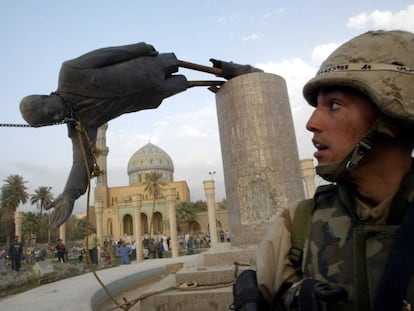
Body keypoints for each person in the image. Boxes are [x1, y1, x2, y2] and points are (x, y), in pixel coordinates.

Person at [252, 30, 414, 311]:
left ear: (392, 117)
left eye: (334, 105)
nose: (312, 123)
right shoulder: (298, 226)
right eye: (317, 106)